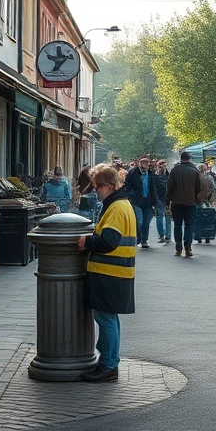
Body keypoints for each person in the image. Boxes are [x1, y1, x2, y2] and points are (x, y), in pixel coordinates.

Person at [76, 163, 136, 382]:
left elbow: (109, 241)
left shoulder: (116, 208)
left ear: (110, 186)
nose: (97, 190)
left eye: (98, 186)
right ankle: (109, 363)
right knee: (110, 318)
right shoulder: (120, 204)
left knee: (106, 319)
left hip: (110, 272)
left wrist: (87, 241)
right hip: (116, 272)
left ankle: (108, 365)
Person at [166, 151, 201, 257]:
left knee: (177, 225)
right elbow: (198, 189)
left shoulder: (174, 171)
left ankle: (178, 247)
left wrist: (167, 202)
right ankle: (188, 247)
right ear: (189, 159)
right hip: (190, 202)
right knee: (189, 225)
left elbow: (169, 188)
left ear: (181, 159)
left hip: (176, 203)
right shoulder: (194, 172)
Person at [125, 157, 156, 249]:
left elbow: (153, 188)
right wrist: (132, 195)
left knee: (146, 222)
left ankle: (144, 240)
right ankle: (139, 238)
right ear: (140, 164)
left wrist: (155, 201)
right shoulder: (132, 173)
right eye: (144, 163)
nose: (146, 165)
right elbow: (128, 186)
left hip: (148, 201)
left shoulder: (150, 174)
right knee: (140, 221)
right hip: (137, 201)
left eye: (147, 163)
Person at [153, 159, 172, 243]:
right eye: (161, 165)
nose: (163, 167)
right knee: (161, 216)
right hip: (161, 199)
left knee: (165, 216)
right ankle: (163, 235)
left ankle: (166, 236)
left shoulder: (157, 176)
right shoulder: (158, 176)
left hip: (165, 198)